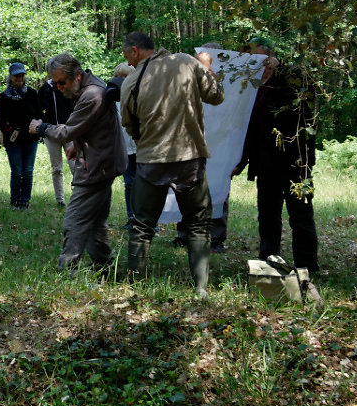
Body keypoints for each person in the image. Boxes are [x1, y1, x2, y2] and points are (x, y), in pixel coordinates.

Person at [119, 31, 224, 297]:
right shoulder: (188, 63)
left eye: (127, 57)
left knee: (141, 227)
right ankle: (200, 288)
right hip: (188, 158)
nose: (128, 64)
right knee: (198, 225)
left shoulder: (131, 81)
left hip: (150, 161)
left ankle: (136, 288)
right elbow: (216, 95)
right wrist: (207, 67)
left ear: (134, 50)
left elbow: (131, 127)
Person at [29, 53, 126, 272]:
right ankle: (105, 268)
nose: (59, 87)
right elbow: (94, 126)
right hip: (104, 161)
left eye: (62, 82)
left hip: (98, 165)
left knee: (75, 220)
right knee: (96, 220)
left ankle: (67, 270)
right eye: (54, 83)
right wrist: (78, 145)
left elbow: (66, 131)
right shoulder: (89, 87)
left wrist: (41, 127)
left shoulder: (93, 94)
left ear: (78, 75)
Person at [233, 36, 318, 271]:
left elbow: (309, 92)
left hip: (297, 161)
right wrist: (242, 161)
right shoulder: (252, 87)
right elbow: (250, 128)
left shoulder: (290, 77)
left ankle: (307, 264)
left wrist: (279, 69)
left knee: (301, 213)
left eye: (260, 57)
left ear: (270, 55)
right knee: (268, 214)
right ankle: (268, 261)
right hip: (265, 161)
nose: (257, 63)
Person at [172, 42, 230, 252]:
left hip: (220, 147)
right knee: (186, 191)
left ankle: (215, 238)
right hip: (191, 147)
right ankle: (184, 234)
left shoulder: (224, 83)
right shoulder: (185, 79)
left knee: (218, 192)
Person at [0, 62, 41, 210]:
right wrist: (9, 130)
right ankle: (15, 200)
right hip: (13, 139)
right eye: (16, 76)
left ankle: (25, 201)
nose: (19, 78)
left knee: (28, 171)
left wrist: (37, 125)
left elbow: (40, 114)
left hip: (30, 138)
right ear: (11, 77)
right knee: (16, 171)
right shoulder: (4, 96)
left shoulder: (32, 93)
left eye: (21, 75)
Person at [37, 72, 74, 207]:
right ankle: (60, 201)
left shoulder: (69, 85)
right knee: (56, 168)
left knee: (75, 166)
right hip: (51, 132)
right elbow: (38, 109)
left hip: (69, 131)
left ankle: (77, 198)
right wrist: (43, 126)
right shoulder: (45, 89)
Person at [113, 62, 138, 230]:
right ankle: (131, 217)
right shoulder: (112, 99)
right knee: (129, 183)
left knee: (144, 183)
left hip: (141, 146)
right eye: (119, 77)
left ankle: (149, 219)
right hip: (124, 148)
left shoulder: (140, 96)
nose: (123, 80)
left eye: (126, 76)